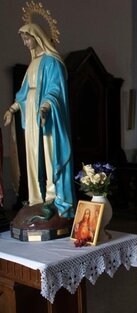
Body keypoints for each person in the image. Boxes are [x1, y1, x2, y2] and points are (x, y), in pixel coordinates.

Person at [3, 23, 75, 219]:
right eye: (23, 39)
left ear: (37, 36)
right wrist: (12, 109)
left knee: (51, 155)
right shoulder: (32, 64)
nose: (25, 43)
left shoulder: (52, 62)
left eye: (27, 38)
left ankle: (53, 196)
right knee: (33, 155)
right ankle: (36, 198)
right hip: (30, 114)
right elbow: (24, 95)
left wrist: (45, 107)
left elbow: (56, 90)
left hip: (48, 115)